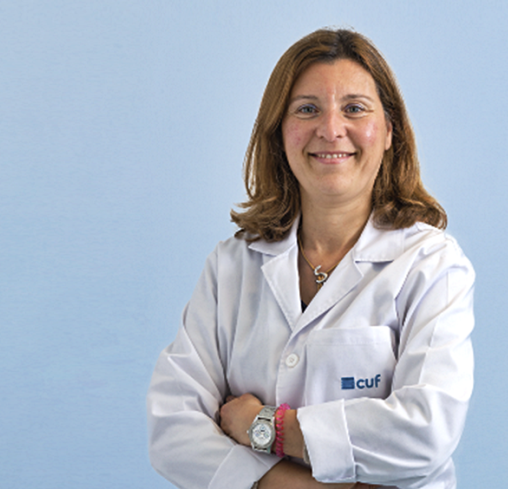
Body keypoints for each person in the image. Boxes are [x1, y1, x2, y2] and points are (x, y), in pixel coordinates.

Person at [147, 28, 475, 489]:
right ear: (279, 133)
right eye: (306, 109)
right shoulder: (232, 266)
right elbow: (172, 428)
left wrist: (265, 426)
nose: (330, 129)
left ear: (389, 132)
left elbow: (425, 432)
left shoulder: (431, 264)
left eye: (355, 108)